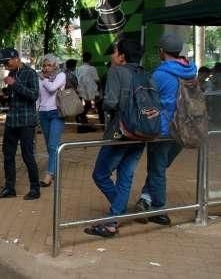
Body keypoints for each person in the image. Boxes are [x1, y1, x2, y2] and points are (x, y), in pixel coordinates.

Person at [84, 38, 146, 238]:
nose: (112, 55)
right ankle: (116, 215)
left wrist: (102, 103)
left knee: (100, 174)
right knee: (126, 175)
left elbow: (111, 102)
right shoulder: (146, 73)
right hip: (143, 131)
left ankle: (116, 216)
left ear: (122, 56)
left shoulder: (116, 71)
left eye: (115, 51)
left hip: (121, 131)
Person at [134, 33, 197, 225]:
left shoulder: (160, 74)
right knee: (159, 168)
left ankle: (158, 209)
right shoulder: (190, 70)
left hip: (163, 129)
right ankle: (145, 198)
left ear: (162, 51)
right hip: (183, 128)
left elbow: (147, 99)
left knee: (157, 169)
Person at [0, 48, 41, 201]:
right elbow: (15, 97)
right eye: (4, 64)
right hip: (12, 120)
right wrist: (5, 95)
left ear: (15, 58)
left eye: (7, 62)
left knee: (28, 155)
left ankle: (35, 189)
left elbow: (33, 95)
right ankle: (9, 188)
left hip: (26, 121)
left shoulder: (30, 73)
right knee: (7, 154)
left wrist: (15, 84)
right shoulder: (12, 73)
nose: (6, 66)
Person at [37, 54, 66, 187]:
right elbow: (38, 96)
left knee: (53, 145)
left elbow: (52, 88)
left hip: (56, 113)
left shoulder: (61, 76)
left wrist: (44, 79)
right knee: (49, 145)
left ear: (55, 65)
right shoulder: (40, 78)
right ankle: (54, 168)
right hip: (43, 113)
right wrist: (37, 111)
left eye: (49, 65)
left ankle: (49, 175)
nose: (46, 68)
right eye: (44, 65)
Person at [76, 52, 100, 132]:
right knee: (88, 105)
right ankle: (82, 119)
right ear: (90, 59)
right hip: (89, 90)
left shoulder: (79, 68)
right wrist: (99, 88)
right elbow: (97, 80)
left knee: (87, 105)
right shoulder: (92, 68)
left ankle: (83, 121)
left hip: (81, 89)